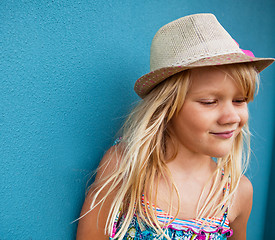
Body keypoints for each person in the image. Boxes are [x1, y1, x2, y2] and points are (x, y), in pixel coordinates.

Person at [76, 13, 274, 240]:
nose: (231, 116)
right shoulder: (125, 168)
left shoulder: (238, 193)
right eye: (209, 102)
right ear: (167, 108)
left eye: (239, 101)